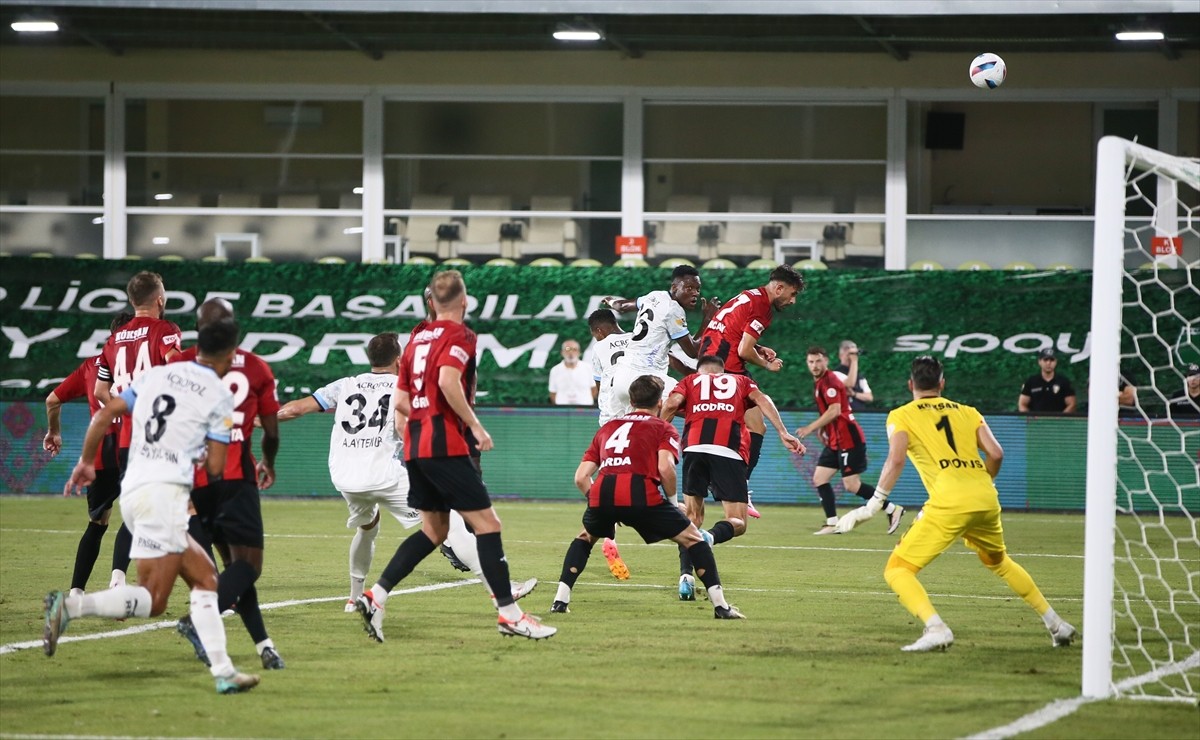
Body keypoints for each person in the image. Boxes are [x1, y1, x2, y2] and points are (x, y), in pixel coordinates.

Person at [47, 318, 260, 694]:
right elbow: (214, 465)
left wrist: (84, 462)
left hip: (133, 491)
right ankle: (71, 608)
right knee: (157, 597)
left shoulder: (155, 378)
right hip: (165, 495)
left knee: (204, 581)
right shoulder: (218, 394)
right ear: (230, 353)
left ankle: (224, 672)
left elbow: (103, 413)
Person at [355, 270, 555, 642]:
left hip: (415, 446)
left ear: (431, 302)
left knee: (434, 530)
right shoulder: (460, 334)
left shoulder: (413, 342)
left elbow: (400, 401)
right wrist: (474, 426)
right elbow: (448, 381)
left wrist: (419, 428)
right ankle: (510, 615)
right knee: (488, 525)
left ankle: (375, 596)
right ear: (464, 301)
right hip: (445, 445)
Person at [274, 331, 535, 613]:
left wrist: (259, 419)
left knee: (367, 528)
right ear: (400, 360)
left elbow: (293, 410)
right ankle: (502, 591)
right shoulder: (405, 385)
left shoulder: (345, 385)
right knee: (451, 522)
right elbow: (411, 424)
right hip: (383, 474)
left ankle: (353, 598)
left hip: (344, 476)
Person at [835, 355, 1077, 652]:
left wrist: (873, 505)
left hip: (949, 501)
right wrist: (981, 483)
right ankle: (1056, 624)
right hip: (985, 496)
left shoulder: (901, 415)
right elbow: (996, 453)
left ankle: (936, 628)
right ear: (942, 384)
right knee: (999, 562)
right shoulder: (968, 412)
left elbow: (896, 459)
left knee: (897, 570)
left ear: (911, 384)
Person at [549, 374, 745, 619]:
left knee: (585, 537)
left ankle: (560, 601)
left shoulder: (608, 428)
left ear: (631, 401)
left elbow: (580, 477)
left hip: (602, 492)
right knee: (694, 539)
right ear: (661, 402)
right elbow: (665, 469)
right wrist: (673, 505)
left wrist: (601, 502)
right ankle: (721, 607)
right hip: (641, 494)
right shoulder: (664, 428)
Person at [173, 299, 284, 672]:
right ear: (233, 327)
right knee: (249, 564)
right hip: (234, 477)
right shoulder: (254, 366)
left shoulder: (177, 365)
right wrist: (267, 462)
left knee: (232, 568)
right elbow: (270, 430)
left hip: (191, 482)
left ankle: (265, 646)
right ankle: (198, 623)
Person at [660, 355, 804, 599]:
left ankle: (686, 576)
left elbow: (672, 404)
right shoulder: (740, 381)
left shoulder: (690, 381)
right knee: (737, 522)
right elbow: (763, 399)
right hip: (728, 452)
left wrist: (657, 433)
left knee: (692, 517)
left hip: (694, 449)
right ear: (722, 371)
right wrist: (783, 431)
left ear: (700, 371)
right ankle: (709, 537)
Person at [93, 271, 184, 588]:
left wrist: (123, 410)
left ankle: (120, 578)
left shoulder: (114, 339)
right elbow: (175, 367)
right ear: (160, 299)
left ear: (133, 301)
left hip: (127, 438)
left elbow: (100, 391)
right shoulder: (165, 330)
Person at [697, 264, 806, 518]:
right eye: (792, 294)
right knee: (756, 427)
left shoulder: (748, 295)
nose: (792, 300)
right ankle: (738, 486)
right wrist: (767, 363)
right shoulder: (763, 308)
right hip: (727, 368)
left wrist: (760, 347)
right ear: (778, 288)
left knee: (723, 426)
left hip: (708, 362)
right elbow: (744, 351)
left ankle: (721, 482)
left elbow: (734, 333)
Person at [43, 312, 132, 597]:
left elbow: (52, 400)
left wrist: (54, 432)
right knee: (136, 516)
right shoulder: (143, 363)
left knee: (97, 523)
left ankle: (76, 593)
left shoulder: (91, 366)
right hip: (131, 445)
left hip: (100, 451)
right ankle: (118, 581)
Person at [795, 345, 904, 536]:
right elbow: (830, 412)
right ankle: (831, 523)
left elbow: (835, 410)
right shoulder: (819, 382)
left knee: (851, 485)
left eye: (818, 360)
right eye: (811, 361)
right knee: (819, 478)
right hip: (835, 440)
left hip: (848, 438)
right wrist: (823, 429)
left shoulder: (829, 381)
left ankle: (892, 509)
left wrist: (811, 428)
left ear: (826, 361)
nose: (815, 365)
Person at [601, 264, 718, 416]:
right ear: (675, 287)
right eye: (689, 288)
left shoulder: (655, 296)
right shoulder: (673, 309)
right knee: (701, 407)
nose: (694, 293)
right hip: (646, 380)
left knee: (636, 430)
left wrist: (610, 301)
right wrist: (708, 318)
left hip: (622, 379)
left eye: (697, 289)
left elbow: (622, 306)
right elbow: (694, 351)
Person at [586, 309, 633, 580]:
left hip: (610, 420)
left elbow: (599, 384)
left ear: (598, 331)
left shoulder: (599, 347)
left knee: (608, 478)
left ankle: (608, 538)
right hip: (637, 414)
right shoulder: (637, 339)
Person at [1017, 348, 1077, 413]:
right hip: (1036, 422)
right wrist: (1031, 418)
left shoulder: (1064, 382)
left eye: (1052, 360)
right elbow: (1022, 404)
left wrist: (1060, 419)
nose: (1048, 363)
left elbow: (1072, 404)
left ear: (1056, 362)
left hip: (1058, 422)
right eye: (1045, 360)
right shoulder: (1031, 382)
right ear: (1039, 362)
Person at [548, 338, 596, 406]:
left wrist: (585, 401)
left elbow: (594, 388)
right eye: (568, 349)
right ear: (562, 352)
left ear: (579, 352)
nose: (571, 353)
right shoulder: (555, 370)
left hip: (584, 409)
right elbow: (552, 392)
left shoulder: (588, 368)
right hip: (563, 409)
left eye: (574, 349)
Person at [833, 340, 873, 414]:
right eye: (849, 354)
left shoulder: (860, 376)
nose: (852, 357)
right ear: (840, 356)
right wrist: (854, 361)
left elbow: (869, 397)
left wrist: (854, 394)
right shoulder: (835, 373)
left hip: (860, 415)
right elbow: (850, 383)